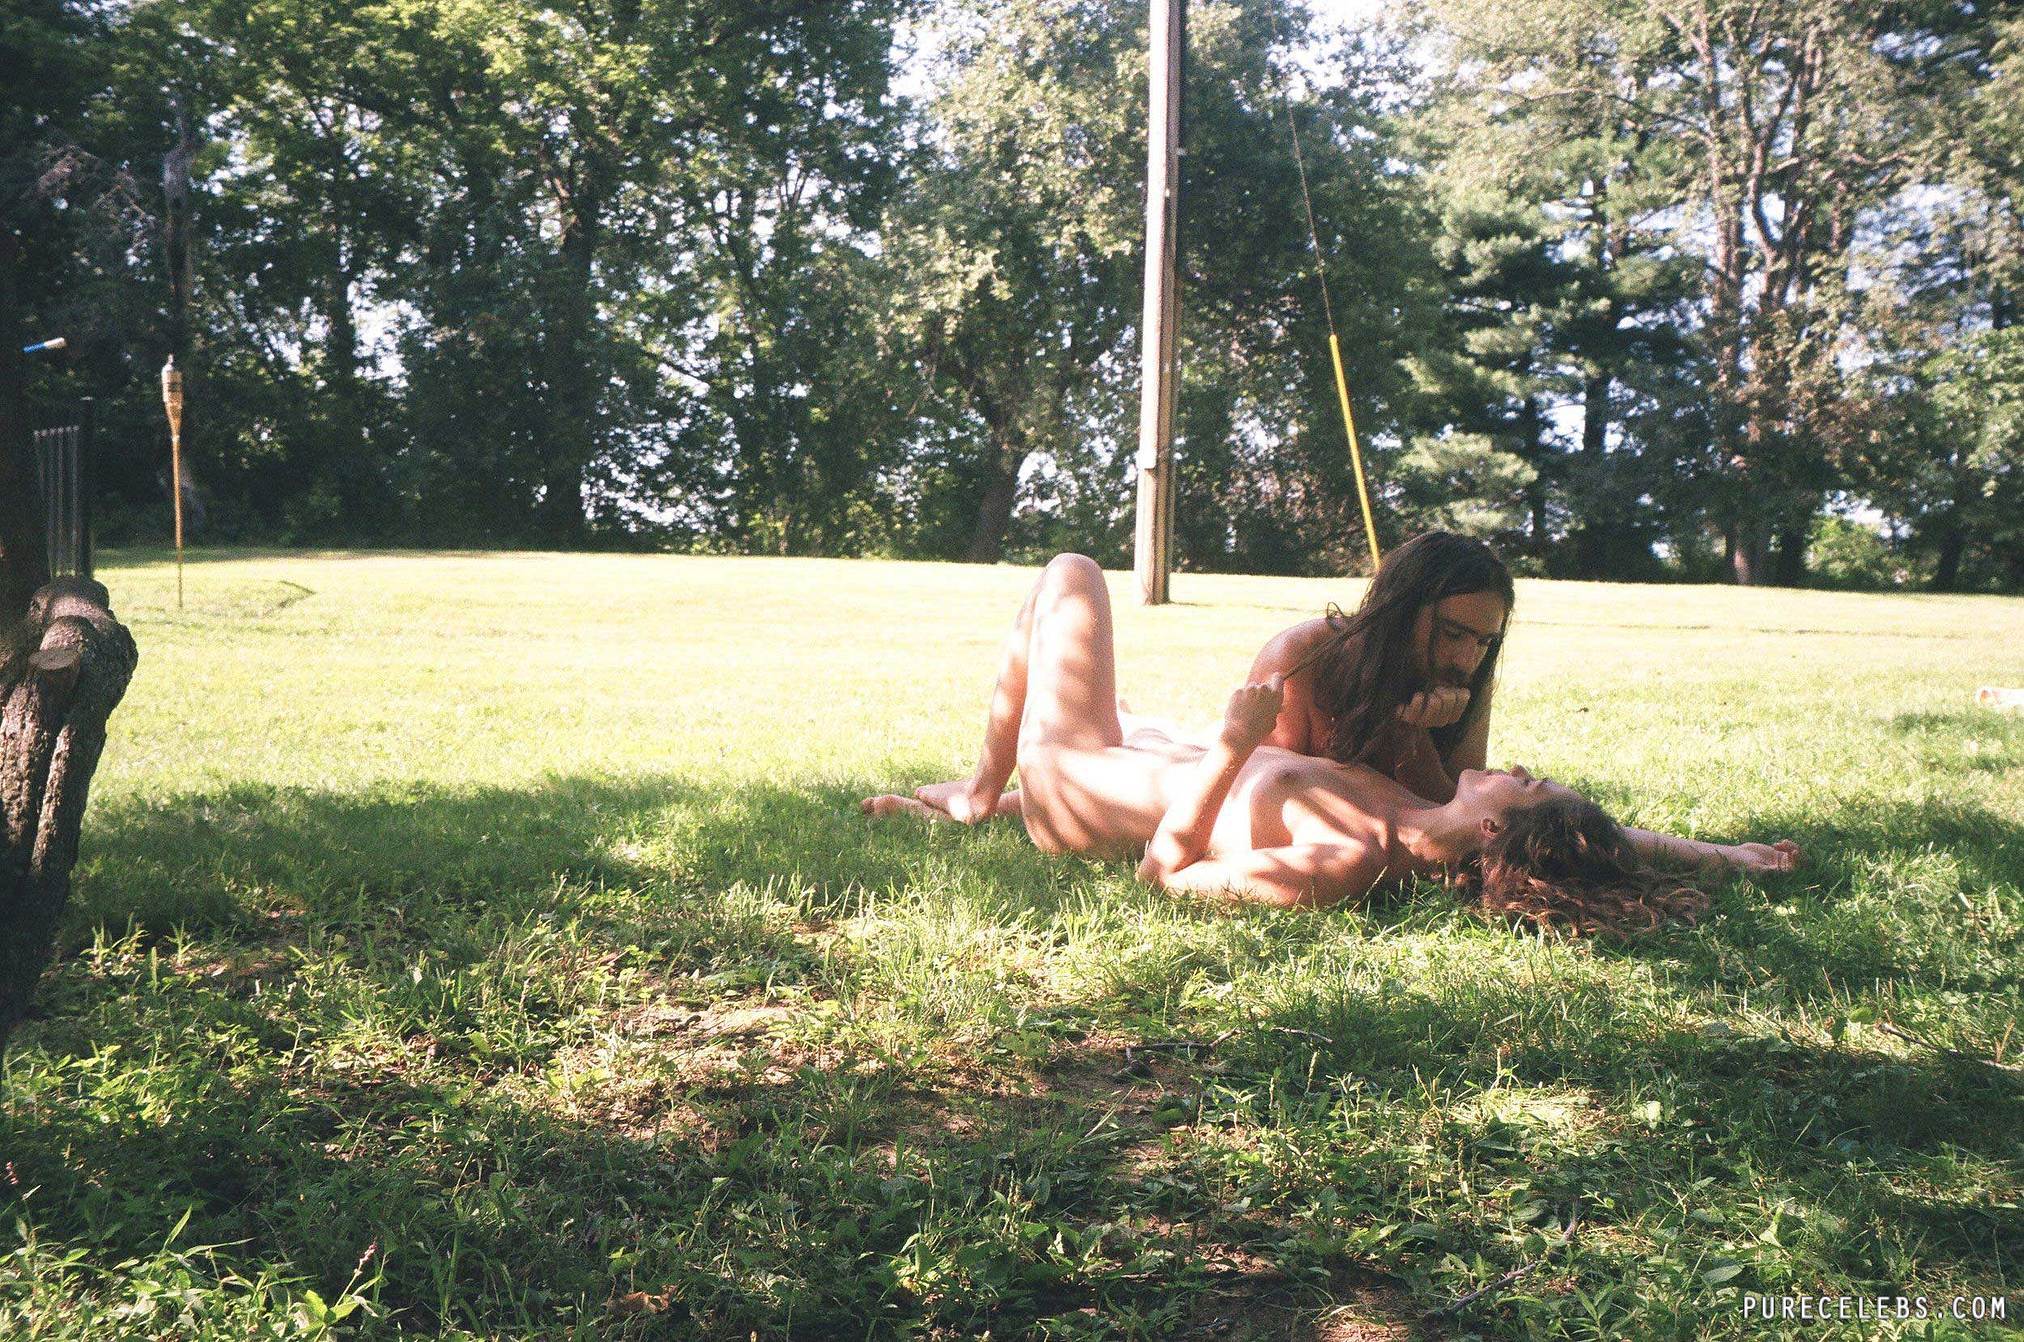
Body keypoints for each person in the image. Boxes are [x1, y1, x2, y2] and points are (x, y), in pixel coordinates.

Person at [864, 554, 1798, 930]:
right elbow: (1592, 839)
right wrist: (1727, 856)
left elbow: (1162, 877)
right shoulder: (1419, 804)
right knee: (1146, 718)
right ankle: (970, 799)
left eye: (1526, 783)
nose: (1518, 767)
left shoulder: (1350, 858)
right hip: (1148, 756)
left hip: (1077, 784)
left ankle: (986, 797)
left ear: (1492, 833)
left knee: (1070, 573)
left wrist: (1232, 747)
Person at [1245, 531, 1513, 801]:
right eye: (1452, 634)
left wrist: (1414, 743)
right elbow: (1263, 795)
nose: (1466, 662)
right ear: (1400, 614)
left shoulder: (1466, 673)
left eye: (1485, 642)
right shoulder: (1298, 658)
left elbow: (1467, 811)